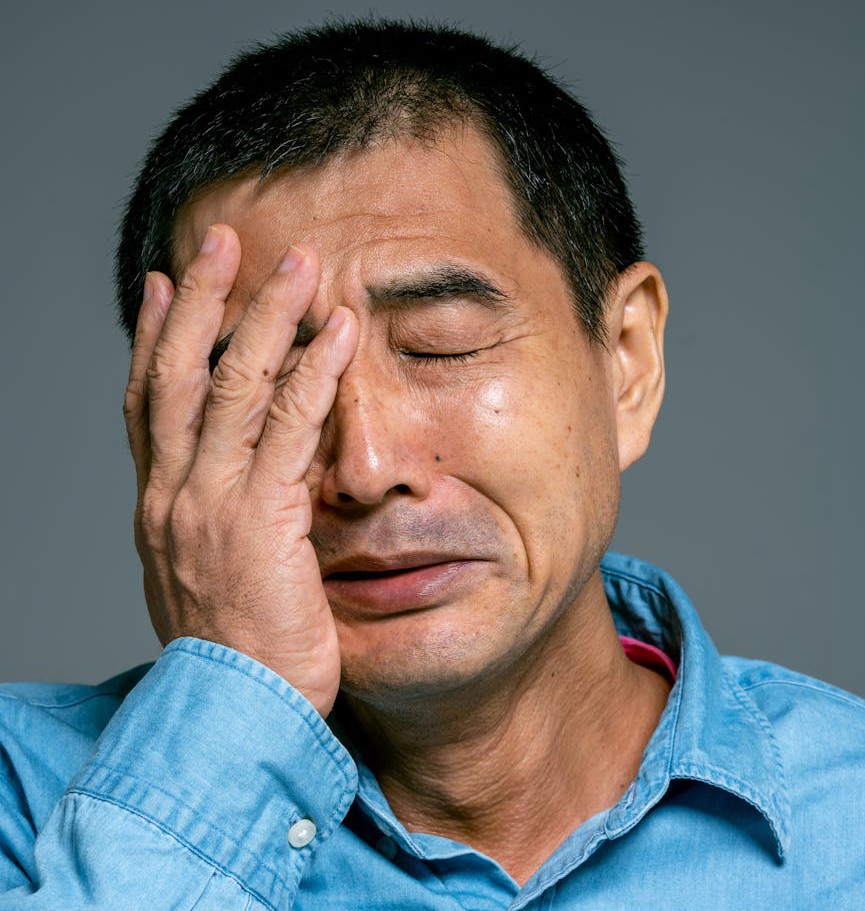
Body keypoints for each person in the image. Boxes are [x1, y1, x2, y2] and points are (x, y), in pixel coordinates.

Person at [1, 19, 862, 909]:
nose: (365, 467)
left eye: (440, 344)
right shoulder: (22, 797)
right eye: (269, 381)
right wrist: (234, 702)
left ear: (627, 361)